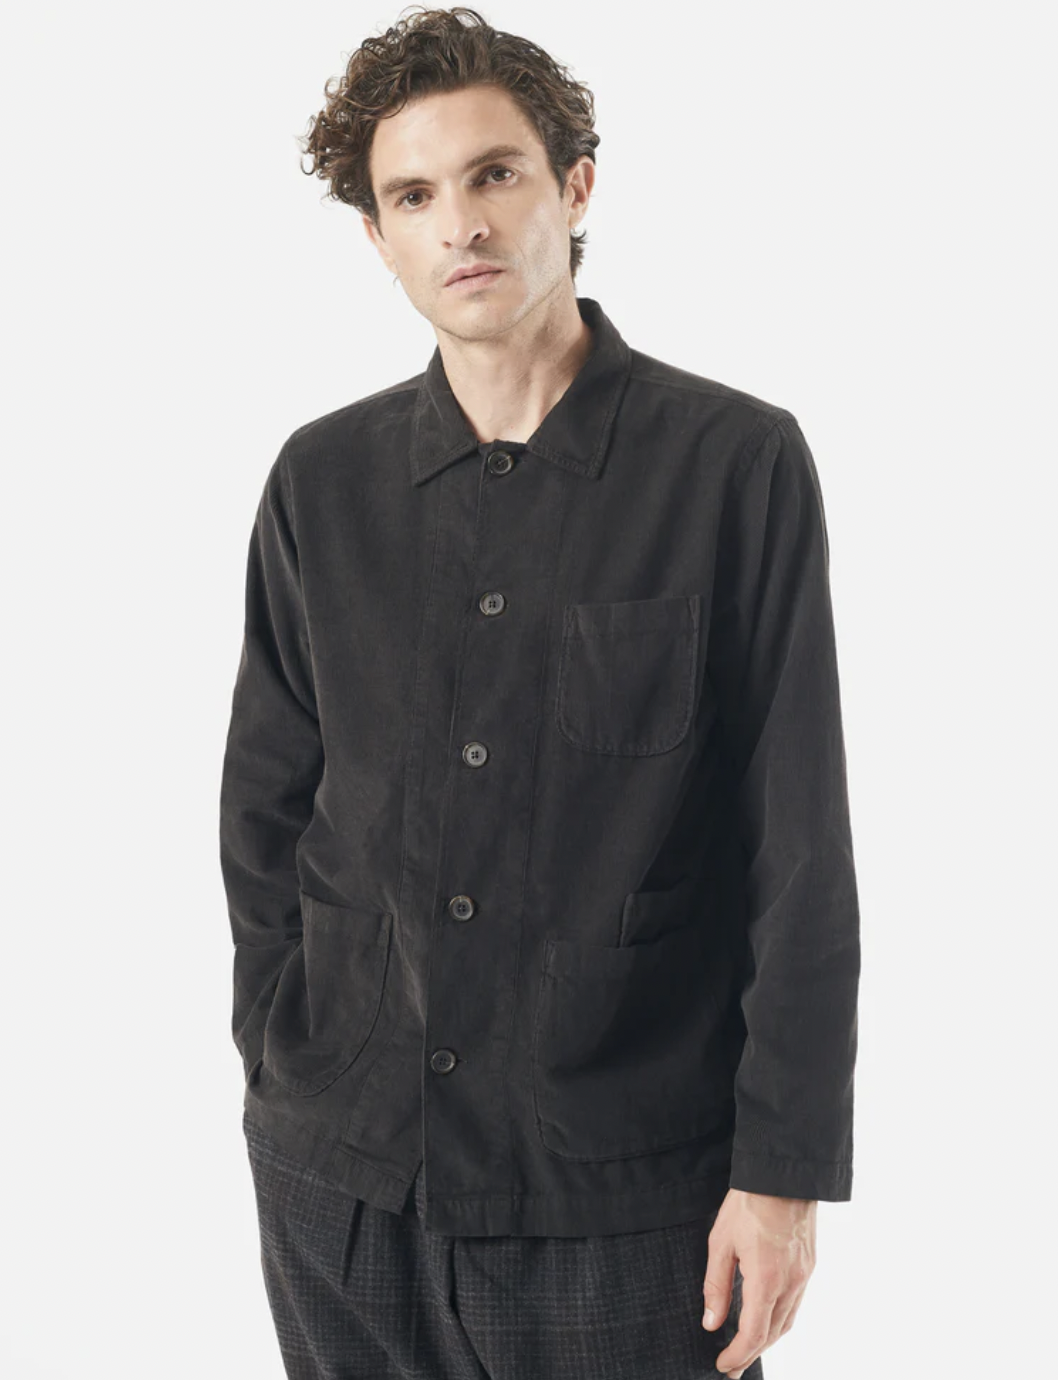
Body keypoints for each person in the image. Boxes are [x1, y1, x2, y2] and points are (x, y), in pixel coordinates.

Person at [218, 7, 861, 1378]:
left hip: (629, 1198)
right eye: (413, 195)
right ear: (377, 236)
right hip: (346, 1183)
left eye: (494, 173)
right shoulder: (320, 483)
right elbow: (267, 808)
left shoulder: (732, 467)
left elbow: (798, 847)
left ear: (574, 185)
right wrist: (281, 1059)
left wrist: (782, 1174)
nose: (461, 223)